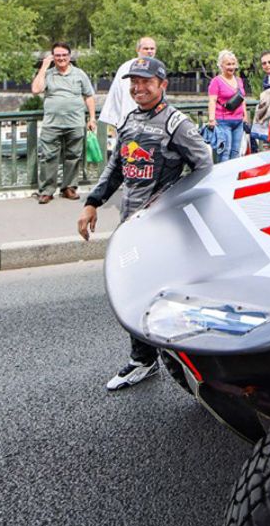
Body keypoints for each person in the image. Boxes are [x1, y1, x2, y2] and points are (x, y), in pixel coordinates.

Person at [77, 57, 213, 391]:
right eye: (134, 82)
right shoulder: (130, 119)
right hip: (130, 224)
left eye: (146, 82)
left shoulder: (176, 124)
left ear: (162, 84)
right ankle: (144, 360)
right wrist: (92, 202)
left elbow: (205, 168)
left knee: (167, 294)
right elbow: (116, 167)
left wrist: (175, 205)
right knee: (133, 292)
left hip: (162, 228)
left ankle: (201, 362)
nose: (138, 88)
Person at [32, 41, 96, 204]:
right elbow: (36, 90)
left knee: (73, 157)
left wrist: (92, 118)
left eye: (64, 55)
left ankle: (69, 187)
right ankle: (47, 191)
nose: (61, 58)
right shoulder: (48, 74)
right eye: (57, 55)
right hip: (52, 124)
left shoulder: (79, 74)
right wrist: (44, 67)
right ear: (53, 57)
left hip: (75, 123)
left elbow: (89, 96)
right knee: (48, 158)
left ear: (69, 56)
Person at [99, 36, 157, 151]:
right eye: (146, 48)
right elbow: (118, 95)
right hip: (130, 121)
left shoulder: (157, 68)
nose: (150, 51)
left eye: (152, 48)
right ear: (138, 50)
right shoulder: (127, 68)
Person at [208, 49, 248, 161]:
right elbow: (212, 100)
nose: (231, 67)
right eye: (228, 64)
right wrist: (211, 119)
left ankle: (234, 172)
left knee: (236, 152)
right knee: (225, 151)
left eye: (233, 64)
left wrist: (245, 115)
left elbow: (242, 99)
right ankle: (223, 172)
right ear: (221, 65)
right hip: (223, 121)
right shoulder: (216, 81)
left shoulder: (239, 80)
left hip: (238, 121)